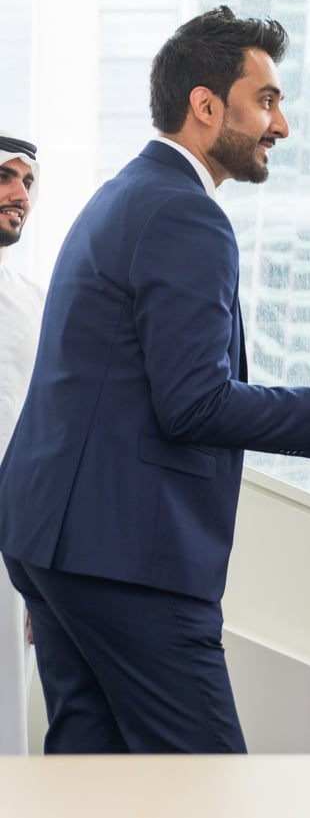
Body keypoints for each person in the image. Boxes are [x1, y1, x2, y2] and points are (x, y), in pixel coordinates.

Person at [0, 7, 310, 755]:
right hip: (125, 554)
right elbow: (193, 401)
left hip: (53, 539)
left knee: (94, 774)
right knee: (210, 780)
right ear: (205, 105)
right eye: (267, 100)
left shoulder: (121, 193)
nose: (280, 125)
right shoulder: (184, 213)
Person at [0, 133, 43, 754]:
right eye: (7, 177)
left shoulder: (37, 302)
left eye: (29, 183)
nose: (20, 195)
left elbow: (45, 435)